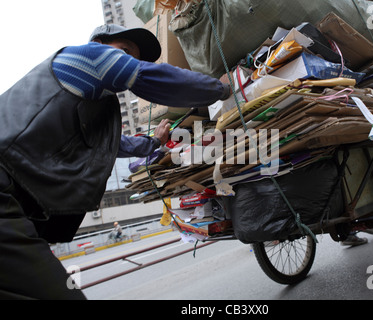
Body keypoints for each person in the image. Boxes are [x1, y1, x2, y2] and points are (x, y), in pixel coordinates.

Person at [0, 24, 231, 299]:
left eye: (135, 58)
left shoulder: (94, 101)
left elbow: (115, 144)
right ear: (99, 42)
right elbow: (154, 77)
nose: (130, 61)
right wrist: (222, 89)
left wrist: (154, 143)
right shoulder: (88, 56)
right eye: (125, 51)